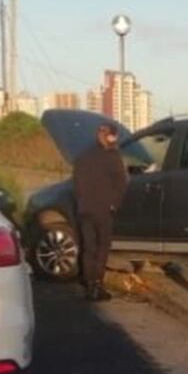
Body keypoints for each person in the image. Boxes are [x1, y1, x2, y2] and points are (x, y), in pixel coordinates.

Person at [72, 123, 128, 302]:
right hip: (103, 209)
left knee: (89, 247)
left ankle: (89, 284)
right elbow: (121, 183)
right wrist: (114, 204)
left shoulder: (83, 156)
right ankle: (97, 284)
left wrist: (81, 202)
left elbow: (76, 184)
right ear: (111, 136)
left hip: (85, 209)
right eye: (114, 136)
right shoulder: (113, 156)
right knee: (102, 247)